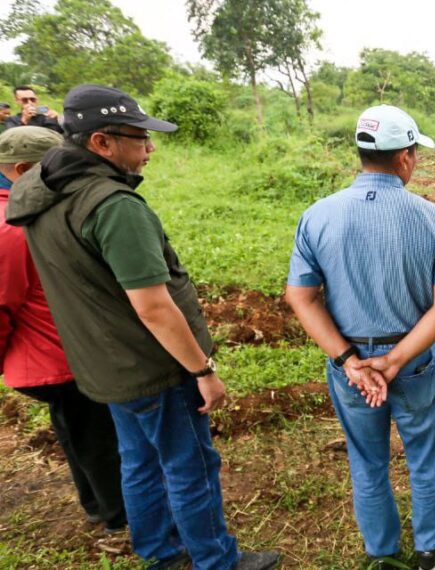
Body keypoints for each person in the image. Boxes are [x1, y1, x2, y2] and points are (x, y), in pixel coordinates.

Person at [5, 84, 278, 570]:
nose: (150, 148)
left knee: (138, 460)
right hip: (153, 365)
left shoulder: (41, 190)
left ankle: (160, 553)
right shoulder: (113, 206)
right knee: (190, 466)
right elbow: (153, 306)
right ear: (101, 142)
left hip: (104, 364)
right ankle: (216, 561)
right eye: (139, 138)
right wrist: (202, 370)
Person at [285, 104, 435, 570]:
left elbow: (301, 297)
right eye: (415, 154)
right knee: (424, 455)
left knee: (367, 459)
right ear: (405, 156)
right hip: (415, 359)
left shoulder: (317, 216)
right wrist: (395, 360)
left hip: (351, 365)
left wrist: (350, 361)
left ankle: (382, 553)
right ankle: (428, 549)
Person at [0, 126, 128, 536]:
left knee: (75, 429)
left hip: (54, 353)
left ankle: (95, 503)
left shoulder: (25, 212)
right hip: (57, 354)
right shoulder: (12, 227)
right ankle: (117, 515)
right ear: (23, 170)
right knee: (96, 436)